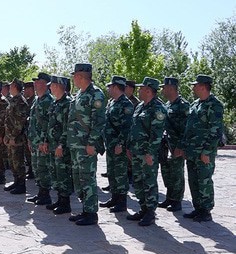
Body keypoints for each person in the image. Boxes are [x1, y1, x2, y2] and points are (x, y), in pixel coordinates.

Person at [177, 75, 224, 222]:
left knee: (204, 180)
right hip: (192, 152)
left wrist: (207, 151)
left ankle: (206, 210)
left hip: (204, 152)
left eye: (195, 85)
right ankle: (198, 208)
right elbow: (189, 128)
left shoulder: (214, 105)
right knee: (194, 180)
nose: (193, 88)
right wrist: (184, 147)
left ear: (203, 86)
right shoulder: (195, 104)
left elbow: (215, 131)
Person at [67, 63, 106, 226]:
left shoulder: (95, 94)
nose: (73, 79)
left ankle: (91, 213)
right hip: (76, 145)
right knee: (78, 179)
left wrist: (92, 143)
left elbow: (99, 122)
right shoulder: (79, 94)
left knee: (88, 178)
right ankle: (85, 209)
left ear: (81, 76)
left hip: (86, 146)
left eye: (75, 76)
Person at [126, 77, 167, 226]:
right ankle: (143, 208)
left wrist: (150, 153)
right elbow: (133, 128)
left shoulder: (158, 109)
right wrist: (129, 147)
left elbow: (156, 134)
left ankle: (150, 212)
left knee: (149, 182)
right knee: (138, 181)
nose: (139, 90)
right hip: (136, 152)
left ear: (149, 90)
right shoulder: (140, 106)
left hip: (147, 153)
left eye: (141, 88)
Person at [100, 76, 134, 213]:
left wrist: (121, 144)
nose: (108, 89)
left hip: (119, 146)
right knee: (112, 172)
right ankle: (114, 198)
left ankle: (122, 202)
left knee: (120, 173)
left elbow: (127, 127)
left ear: (115, 87)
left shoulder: (126, 104)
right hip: (110, 145)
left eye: (110, 87)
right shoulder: (112, 102)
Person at [158, 77, 190, 212]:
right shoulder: (168, 104)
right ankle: (170, 197)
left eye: (164, 87)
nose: (162, 90)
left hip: (177, 146)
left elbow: (187, 129)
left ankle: (177, 201)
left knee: (177, 173)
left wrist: (181, 146)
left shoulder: (183, 105)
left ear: (171, 88)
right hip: (166, 145)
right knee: (166, 172)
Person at [46, 76, 73, 214]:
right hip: (52, 145)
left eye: (51, 85)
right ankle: (59, 199)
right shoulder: (55, 103)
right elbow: (50, 124)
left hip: (61, 147)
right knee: (55, 173)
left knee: (63, 174)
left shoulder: (68, 103)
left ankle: (65, 203)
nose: (49, 87)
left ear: (57, 86)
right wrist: (46, 140)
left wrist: (61, 145)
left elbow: (67, 127)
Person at [26, 72, 54, 205]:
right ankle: (40, 193)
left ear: (45, 84)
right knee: (37, 168)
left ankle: (45, 194)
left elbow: (49, 124)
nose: (35, 84)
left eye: (38, 82)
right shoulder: (37, 100)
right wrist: (30, 139)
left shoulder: (49, 101)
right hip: (35, 141)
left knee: (43, 168)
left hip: (42, 142)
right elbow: (32, 122)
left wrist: (44, 141)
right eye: (35, 82)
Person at [3, 78, 30, 194]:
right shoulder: (13, 100)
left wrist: (13, 136)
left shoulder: (21, 101)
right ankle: (16, 181)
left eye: (11, 86)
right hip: (10, 137)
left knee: (18, 161)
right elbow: (9, 120)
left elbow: (20, 122)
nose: (9, 88)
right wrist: (6, 135)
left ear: (15, 87)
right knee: (13, 161)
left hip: (17, 138)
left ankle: (21, 184)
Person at [23, 82, 36, 180]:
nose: (24, 91)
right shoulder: (28, 101)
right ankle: (31, 170)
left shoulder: (34, 101)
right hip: (27, 130)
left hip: (32, 131)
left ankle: (33, 170)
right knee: (28, 152)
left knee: (31, 152)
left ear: (30, 89)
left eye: (25, 89)